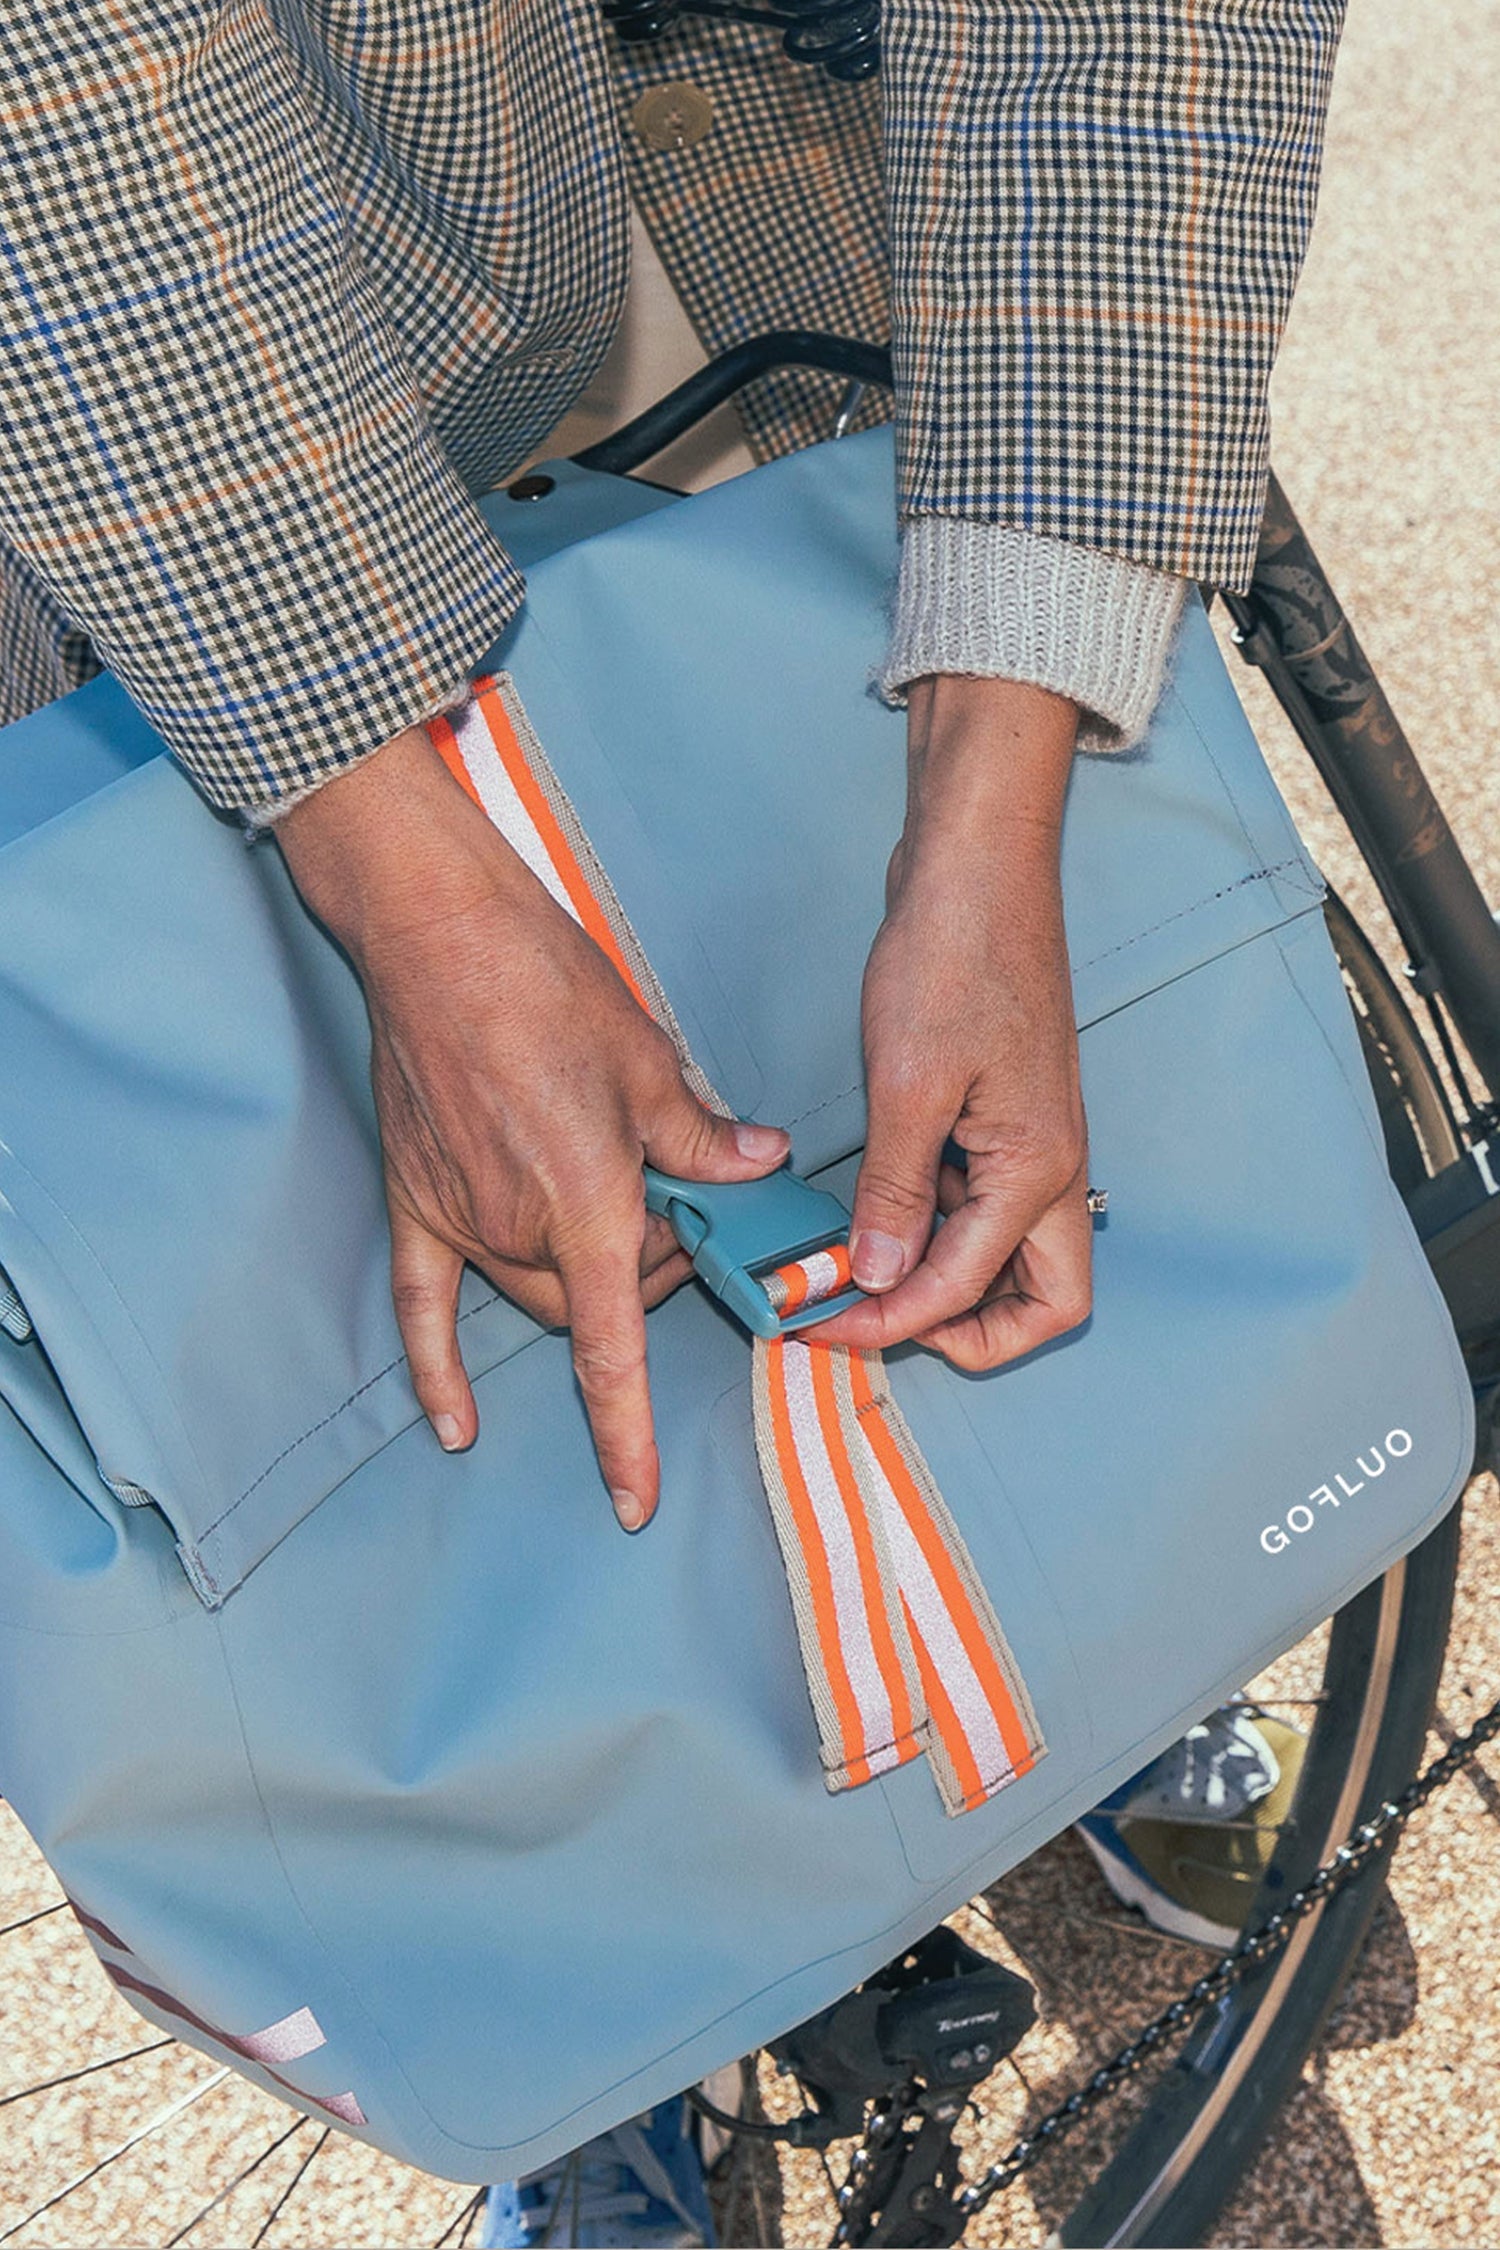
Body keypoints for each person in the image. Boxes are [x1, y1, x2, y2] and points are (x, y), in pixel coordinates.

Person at [0, 0, 1341, 2234]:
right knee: (380, 1257)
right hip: (164, 281)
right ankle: (621, 2016)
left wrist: (995, 776)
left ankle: (1099, 1626)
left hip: (769, 146)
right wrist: (401, 875)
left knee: (954, 1050)